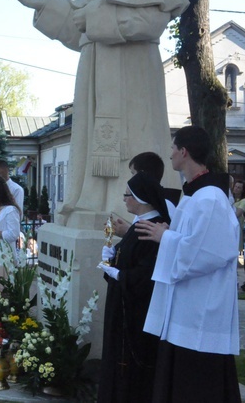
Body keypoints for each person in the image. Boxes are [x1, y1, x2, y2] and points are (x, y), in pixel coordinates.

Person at [10, 0, 188, 228]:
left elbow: (149, 23)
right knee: (95, 146)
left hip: (130, 77)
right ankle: (92, 204)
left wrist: (92, 17)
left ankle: (125, 209)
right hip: (98, 76)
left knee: (131, 144)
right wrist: (46, 4)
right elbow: (78, 31)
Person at [136, 126, 240, 402]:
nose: (169, 154)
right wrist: (171, 235)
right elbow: (194, 241)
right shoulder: (195, 195)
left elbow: (210, 252)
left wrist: (165, 236)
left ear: (184, 152)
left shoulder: (210, 198)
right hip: (187, 307)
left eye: (173, 148)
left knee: (196, 385)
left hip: (201, 312)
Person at [97, 171, 169, 403]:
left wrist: (117, 273)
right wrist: (112, 258)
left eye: (127, 194)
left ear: (140, 198)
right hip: (123, 304)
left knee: (128, 366)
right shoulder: (139, 225)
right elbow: (130, 259)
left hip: (136, 313)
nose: (124, 199)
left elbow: (146, 274)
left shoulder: (152, 228)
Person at [232, 180, 245, 252]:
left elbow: (237, 214)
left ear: (242, 190)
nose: (236, 188)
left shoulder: (244, 201)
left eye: (239, 187)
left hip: (237, 226)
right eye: (235, 186)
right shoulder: (230, 198)